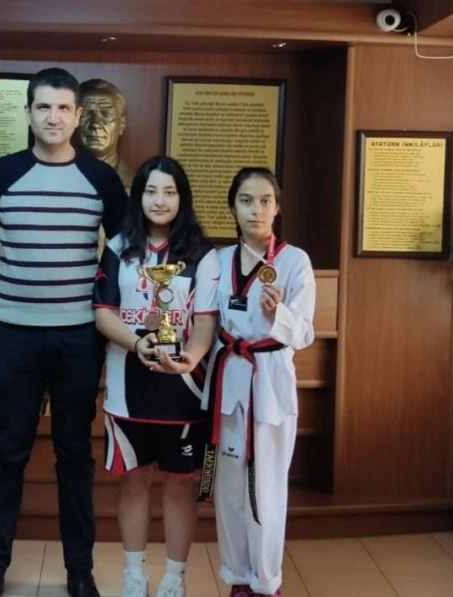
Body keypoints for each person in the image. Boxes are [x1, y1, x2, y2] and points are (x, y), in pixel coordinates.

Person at [0, 67, 128, 597]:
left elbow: (130, 248)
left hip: (79, 338)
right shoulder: (2, 173)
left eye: (63, 108)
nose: (53, 117)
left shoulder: (101, 180)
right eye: (43, 107)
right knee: (8, 454)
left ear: (77, 116)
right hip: (15, 335)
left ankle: (79, 571)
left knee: (74, 455)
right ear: (28, 113)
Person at [92, 156, 219, 597]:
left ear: (182, 198)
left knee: (182, 486)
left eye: (169, 192)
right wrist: (137, 344)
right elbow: (103, 313)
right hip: (127, 388)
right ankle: (133, 574)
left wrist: (190, 357)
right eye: (150, 191)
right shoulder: (119, 247)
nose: (159, 201)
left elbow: (205, 321)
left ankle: (174, 577)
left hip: (184, 391)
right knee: (133, 482)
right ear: (138, 196)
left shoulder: (203, 254)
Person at [205, 168, 316, 597]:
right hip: (229, 379)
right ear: (233, 207)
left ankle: (267, 583)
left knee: (266, 487)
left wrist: (278, 314)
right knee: (229, 486)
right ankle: (237, 578)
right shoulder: (218, 261)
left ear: (278, 207)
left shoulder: (294, 261)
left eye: (266, 200)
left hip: (269, 383)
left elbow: (303, 333)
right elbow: (206, 323)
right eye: (246, 200)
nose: (256, 209)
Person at [76, 78, 135, 190]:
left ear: (122, 124)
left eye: (106, 115)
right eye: (86, 115)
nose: (95, 124)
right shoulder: (58, 181)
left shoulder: (137, 184)